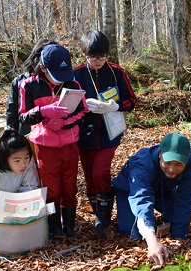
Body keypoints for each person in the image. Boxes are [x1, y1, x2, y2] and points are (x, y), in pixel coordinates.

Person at [19, 43, 88, 239]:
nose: (60, 81)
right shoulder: (29, 85)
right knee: (51, 189)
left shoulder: (73, 85)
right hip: (44, 145)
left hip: (69, 143)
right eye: (56, 75)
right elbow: (23, 117)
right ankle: (54, 226)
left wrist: (64, 122)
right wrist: (43, 112)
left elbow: (83, 112)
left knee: (69, 185)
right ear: (42, 68)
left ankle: (69, 226)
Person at [74, 30, 137, 236]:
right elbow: (67, 104)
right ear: (85, 54)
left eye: (102, 56)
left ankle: (103, 218)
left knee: (100, 172)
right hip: (84, 134)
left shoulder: (116, 72)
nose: (98, 60)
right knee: (90, 176)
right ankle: (97, 212)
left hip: (110, 133)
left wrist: (114, 106)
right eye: (93, 56)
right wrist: (84, 107)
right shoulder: (76, 75)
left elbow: (131, 101)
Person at [112, 133, 191, 265]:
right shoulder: (142, 164)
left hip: (164, 190)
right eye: (168, 162)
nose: (172, 169)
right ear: (160, 154)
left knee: (178, 223)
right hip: (129, 191)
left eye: (178, 165)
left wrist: (180, 237)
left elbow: (186, 197)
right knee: (132, 233)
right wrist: (152, 240)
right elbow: (141, 198)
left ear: (187, 158)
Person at [6, 39, 57, 136]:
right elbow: (12, 113)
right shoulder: (20, 82)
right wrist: (12, 135)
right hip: (27, 135)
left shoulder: (59, 80)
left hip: (54, 136)